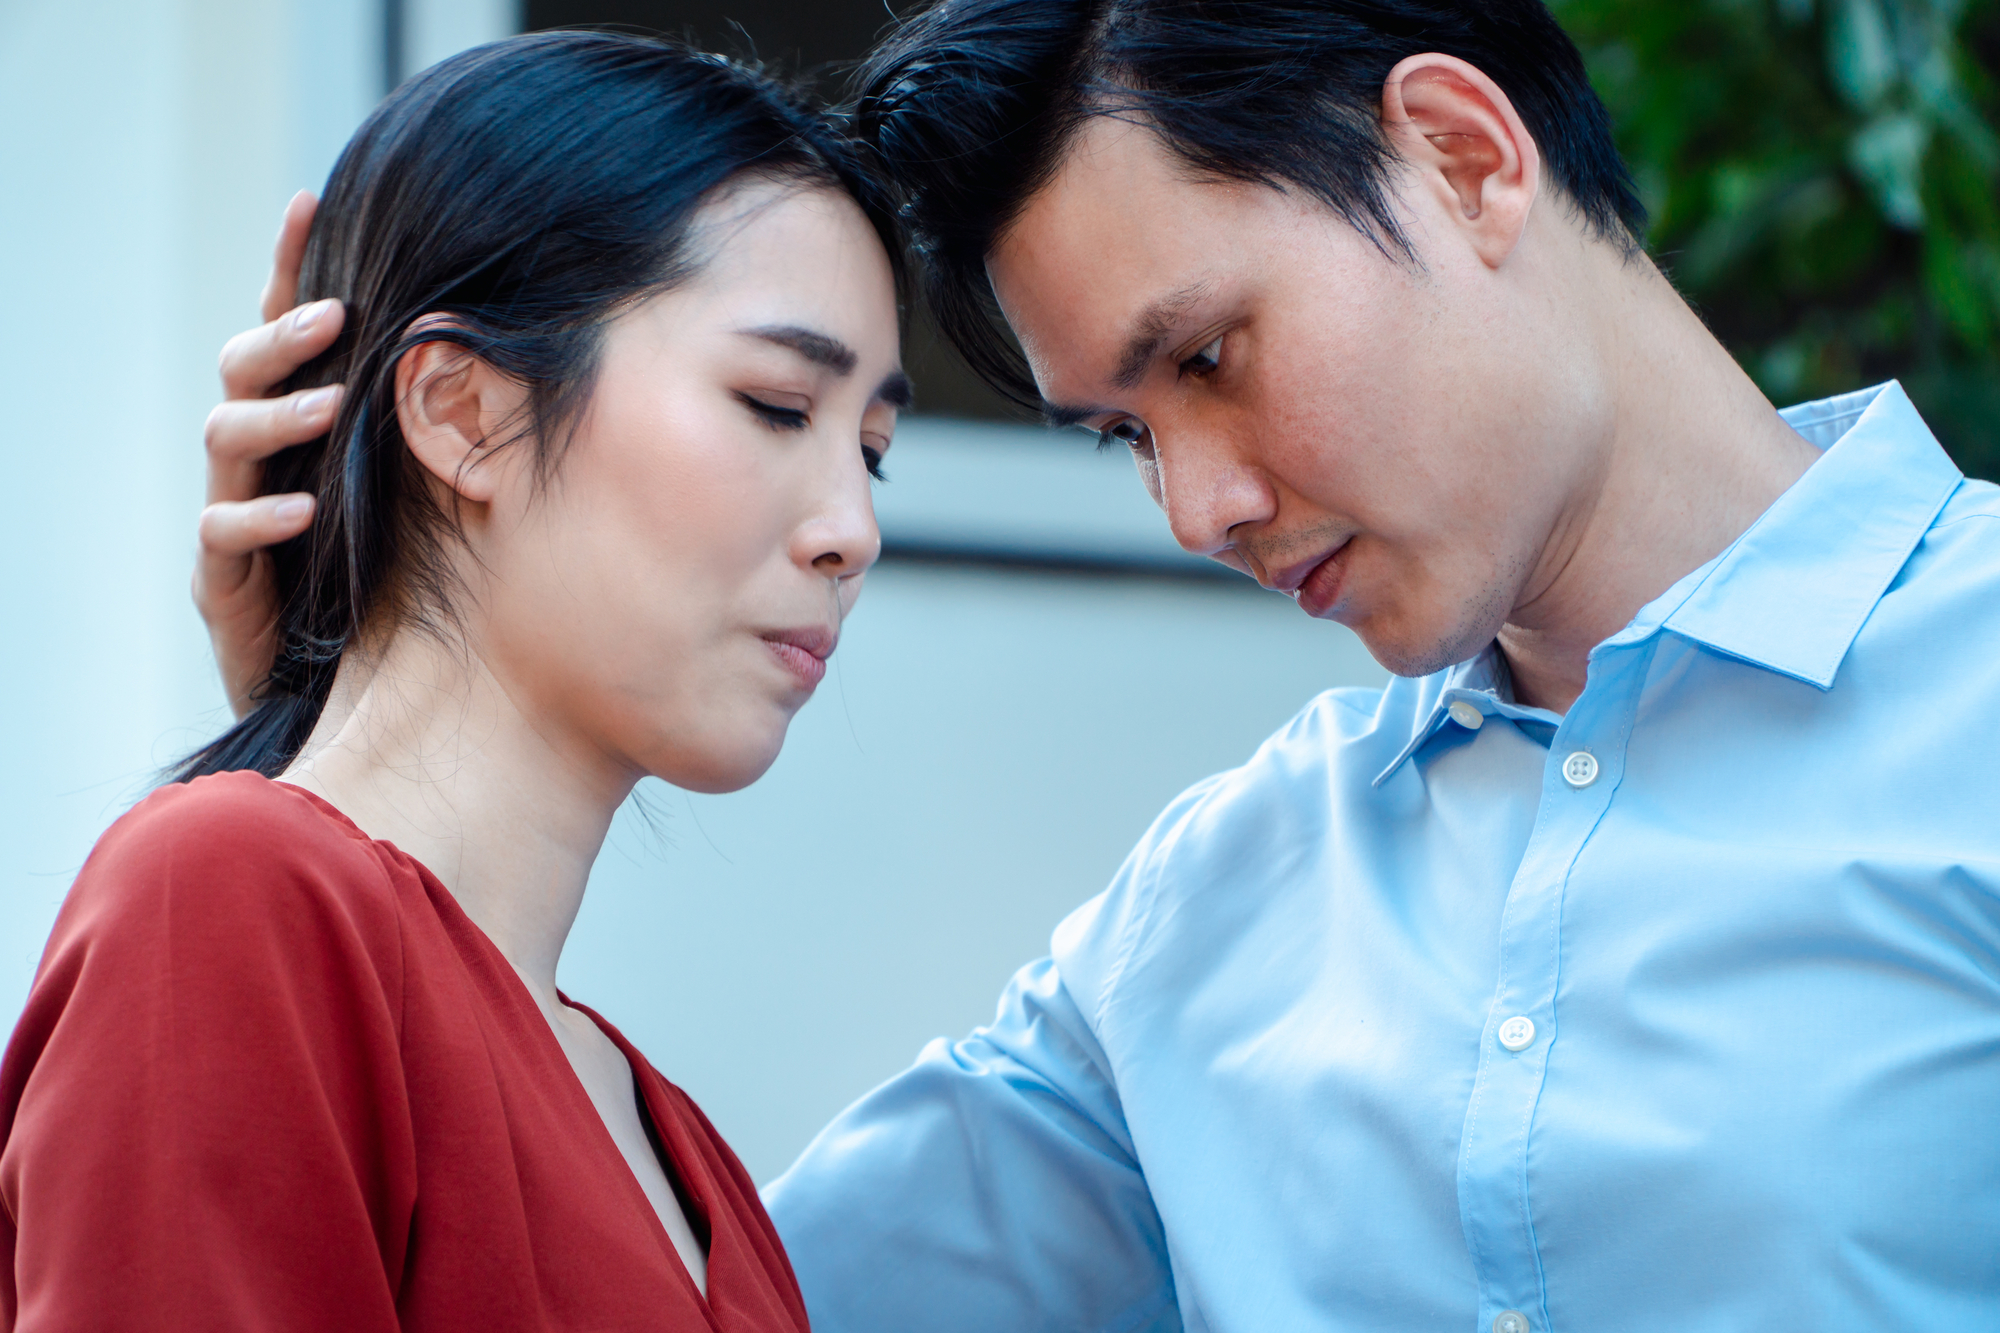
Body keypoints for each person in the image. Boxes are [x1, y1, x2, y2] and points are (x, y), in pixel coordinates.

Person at [196, 0, 2000, 1329]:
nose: (1199, 505)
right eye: (1123, 437)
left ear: (1463, 156)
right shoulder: (1213, 907)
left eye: (1207, 357)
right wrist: (367, 713)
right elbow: (663, 1291)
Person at [0, 30, 909, 1332]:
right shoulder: (223, 897)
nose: (851, 530)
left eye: (872, 451)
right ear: (462, 412)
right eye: (775, 403)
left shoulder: (685, 1156)